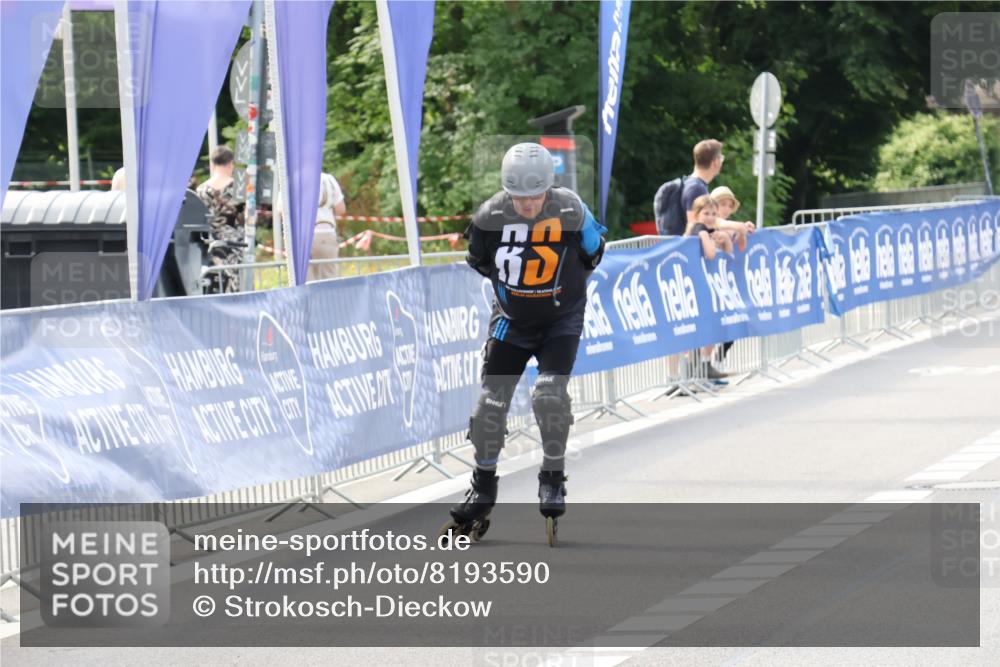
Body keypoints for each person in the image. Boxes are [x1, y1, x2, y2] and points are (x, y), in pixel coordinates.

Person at [442, 142, 607, 545]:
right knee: (489, 407)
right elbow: (479, 260)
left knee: (549, 396)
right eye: (519, 196)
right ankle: (482, 488)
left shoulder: (570, 209)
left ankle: (552, 477)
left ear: (548, 188)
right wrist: (515, 293)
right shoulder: (489, 216)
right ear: (507, 190)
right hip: (512, 322)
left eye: (535, 195)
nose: (528, 203)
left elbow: (595, 250)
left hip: (560, 319)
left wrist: (561, 285)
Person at [685, 194, 731, 381]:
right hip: (698, 286)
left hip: (705, 286)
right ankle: (693, 370)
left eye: (714, 213)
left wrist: (724, 240)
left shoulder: (702, 230)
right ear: (697, 214)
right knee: (703, 327)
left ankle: (701, 367)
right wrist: (713, 241)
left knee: (710, 326)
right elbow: (711, 254)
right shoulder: (700, 230)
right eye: (706, 213)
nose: (711, 217)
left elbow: (728, 253)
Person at [196, 146, 245, 293]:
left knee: (214, 286)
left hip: (211, 245)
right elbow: (247, 218)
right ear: (231, 163)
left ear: (212, 164)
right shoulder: (238, 187)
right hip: (235, 246)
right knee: (237, 287)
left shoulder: (201, 190)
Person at [307, 173, 347, 282]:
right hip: (325, 230)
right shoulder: (328, 179)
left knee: (304, 281)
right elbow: (341, 209)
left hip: (302, 235)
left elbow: (281, 209)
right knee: (328, 279)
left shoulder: (291, 178)